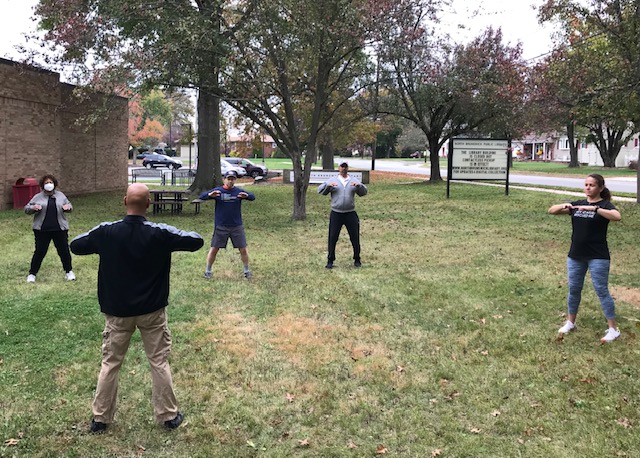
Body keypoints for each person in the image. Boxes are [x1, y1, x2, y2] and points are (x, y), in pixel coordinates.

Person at [70, 183, 204, 432]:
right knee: (159, 362)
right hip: (152, 312)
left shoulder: (106, 232)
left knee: (110, 363)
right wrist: (169, 235)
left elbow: (76, 245)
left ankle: (100, 419)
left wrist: (101, 238)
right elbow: (196, 240)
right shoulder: (159, 233)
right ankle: (168, 416)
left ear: (124, 201)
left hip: (117, 313)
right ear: (149, 205)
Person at [548, 173, 622, 343]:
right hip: (576, 255)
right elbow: (551, 211)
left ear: (600, 188)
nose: (588, 188)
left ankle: (613, 329)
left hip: (598, 255)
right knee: (574, 289)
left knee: (601, 290)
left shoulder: (604, 205)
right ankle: (570, 322)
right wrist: (563, 205)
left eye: (592, 185)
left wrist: (595, 209)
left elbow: (617, 216)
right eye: (586, 185)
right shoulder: (577, 204)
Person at [199, 170, 256, 279]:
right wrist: (209, 195)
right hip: (221, 226)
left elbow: (253, 197)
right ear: (224, 179)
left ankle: (246, 271)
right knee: (214, 248)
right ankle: (208, 271)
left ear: (235, 180)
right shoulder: (218, 191)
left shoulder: (238, 192)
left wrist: (247, 196)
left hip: (236, 225)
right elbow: (202, 196)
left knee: (243, 249)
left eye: (233, 179)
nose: (230, 181)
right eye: (228, 179)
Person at [24, 174, 75, 283]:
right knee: (40, 252)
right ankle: (32, 274)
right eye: (46, 183)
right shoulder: (38, 197)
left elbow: (69, 206)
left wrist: (68, 208)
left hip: (59, 229)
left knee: (64, 251)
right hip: (42, 230)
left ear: (54, 184)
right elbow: (27, 209)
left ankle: (69, 272)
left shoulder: (61, 196)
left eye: (50, 182)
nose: (49, 185)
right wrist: (33, 208)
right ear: (43, 185)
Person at [318, 161, 368, 269]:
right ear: (338, 168)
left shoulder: (353, 180)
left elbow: (364, 192)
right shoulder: (333, 180)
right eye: (342, 166)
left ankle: (357, 259)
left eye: (345, 167)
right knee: (332, 237)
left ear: (347, 168)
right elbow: (320, 191)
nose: (343, 169)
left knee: (354, 237)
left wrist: (359, 186)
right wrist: (328, 186)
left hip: (350, 213)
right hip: (336, 213)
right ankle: (330, 260)